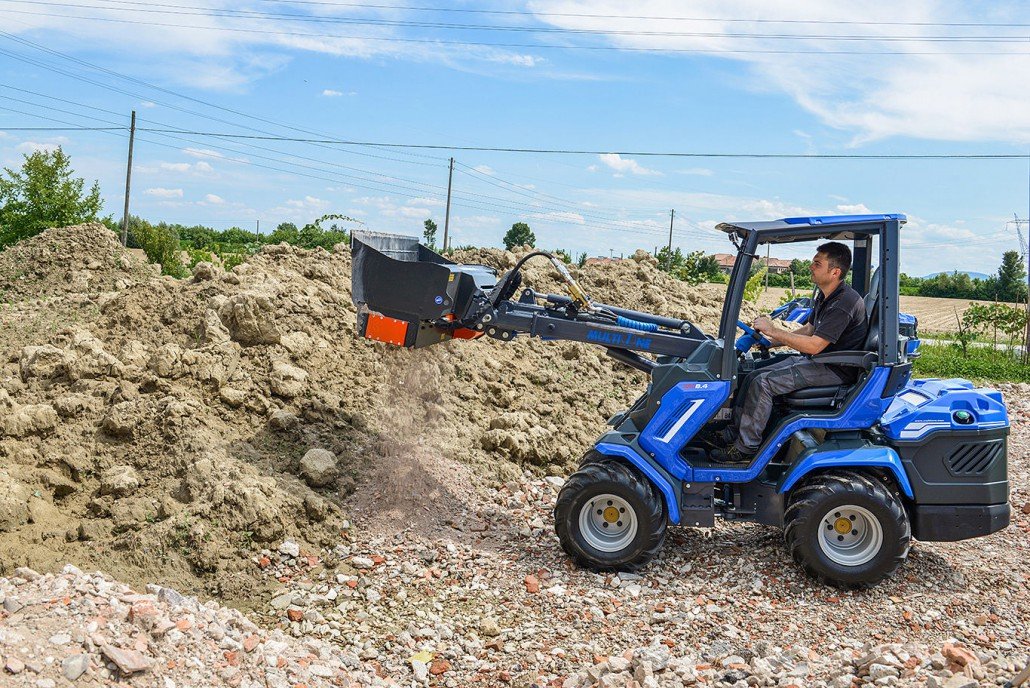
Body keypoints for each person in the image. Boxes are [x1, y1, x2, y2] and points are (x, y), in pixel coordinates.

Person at [711, 241, 869, 464]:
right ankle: (733, 433)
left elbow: (814, 345)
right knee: (753, 375)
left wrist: (773, 329)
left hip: (834, 369)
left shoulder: (844, 302)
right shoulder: (827, 295)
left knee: (764, 383)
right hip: (818, 361)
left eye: (817, 264)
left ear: (835, 272)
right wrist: (772, 341)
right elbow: (809, 329)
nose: (811, 267)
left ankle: (746, 448)